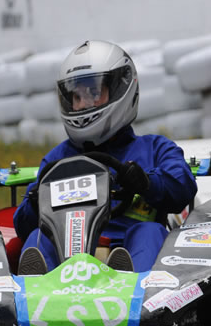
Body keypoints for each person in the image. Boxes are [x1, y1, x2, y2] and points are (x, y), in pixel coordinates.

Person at [13, 40, 197, 274]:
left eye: (93, 92)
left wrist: (146, 182)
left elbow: (183, 186)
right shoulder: (58, 158)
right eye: (76, 97)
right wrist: (36, 199)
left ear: (121, 88)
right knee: (38, 237)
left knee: (149, 231)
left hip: (128, 250)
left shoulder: (154, 148)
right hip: (67, 260)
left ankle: (133, 290)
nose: (82, 105)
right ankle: (34, 291)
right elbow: (21, 226)